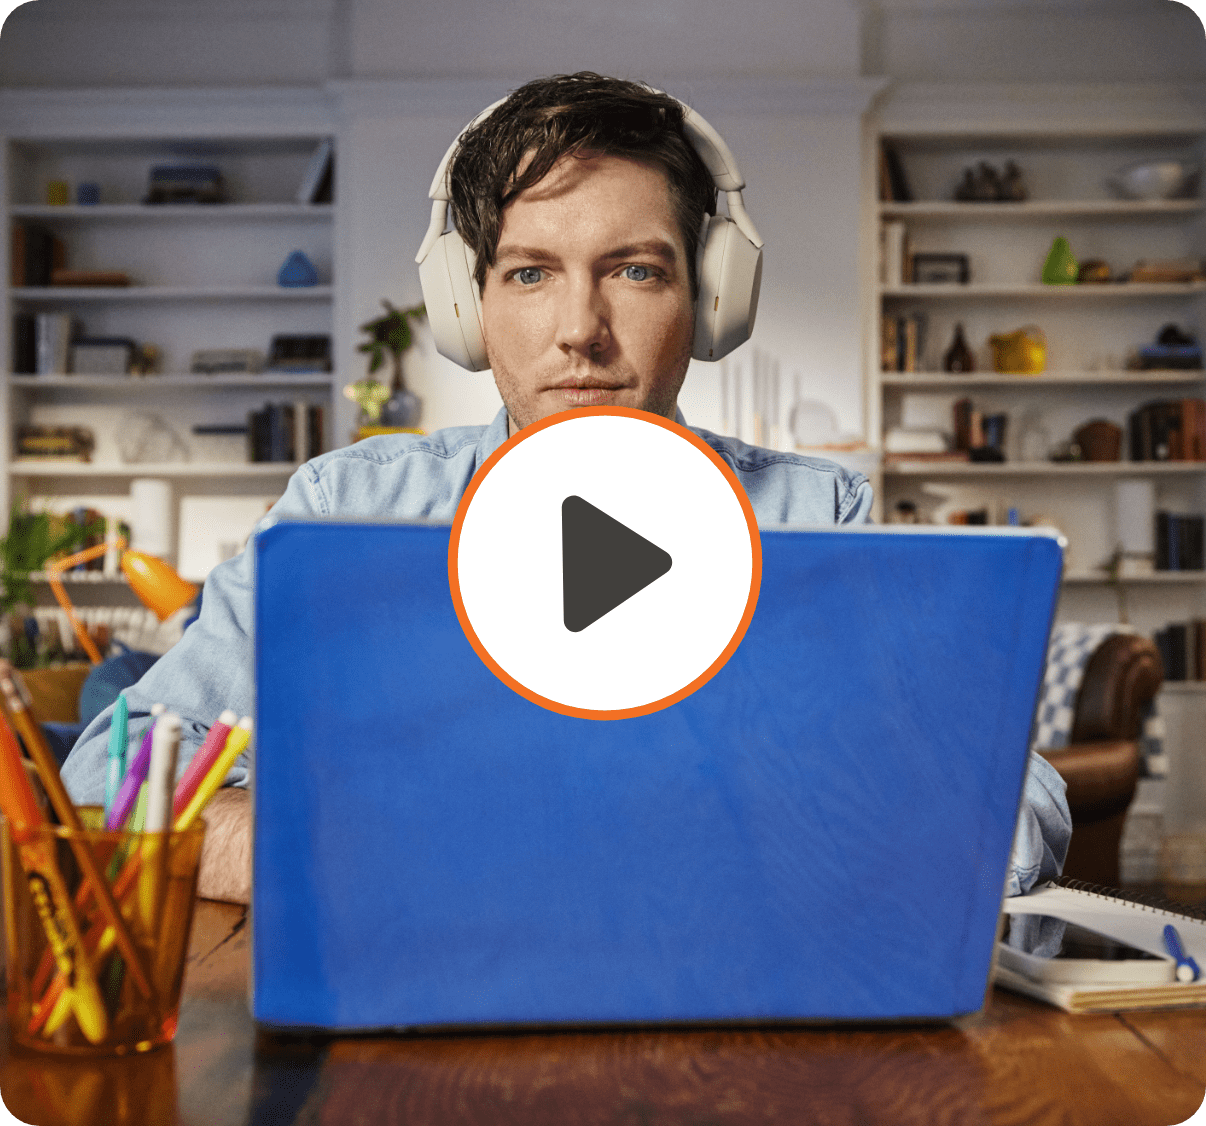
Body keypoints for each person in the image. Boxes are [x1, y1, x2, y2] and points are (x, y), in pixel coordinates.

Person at [61, 72, 1070, 906]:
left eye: (633, 271)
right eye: (531, 273)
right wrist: (307, 842)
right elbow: (111, 772)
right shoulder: (346, 507)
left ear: (711, 301)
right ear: (468, 305)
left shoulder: (815, 516)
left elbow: (1019, 806)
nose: (580, 327)